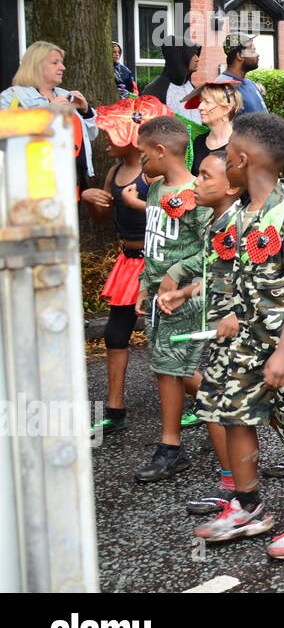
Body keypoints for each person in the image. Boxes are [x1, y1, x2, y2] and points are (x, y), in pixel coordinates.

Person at [192, 112, 284, 559]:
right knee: (237, 417)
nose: (220, 160)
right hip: (241, 343)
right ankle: (249, 505)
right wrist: (218, 311)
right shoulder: (233, 215)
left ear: (239, 159)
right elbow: (224, 273)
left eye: (226, 154)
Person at [155, 151, 244, 515]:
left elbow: (258, 279)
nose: (196, 182)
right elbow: (213, 272)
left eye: (205, 176)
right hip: (222, 332)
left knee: (258, 410)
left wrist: (237, 312)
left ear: (232, 186)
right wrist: (184, 291)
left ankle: (253, 491)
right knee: (214, 403)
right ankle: (233, 486)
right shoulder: (216, 224)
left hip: (250, 335)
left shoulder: (243, 224)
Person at [133, 115, 212, 483]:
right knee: (169, 366)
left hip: (184, 298)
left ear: (161, 150)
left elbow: (214, 249)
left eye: (143, 154)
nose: (140, 161)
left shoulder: (198, 193)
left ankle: (171, 447)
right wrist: (142, 285)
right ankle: (222, 405)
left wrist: (176, 276)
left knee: (169, 368)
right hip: (157, 296)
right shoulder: (155, 188)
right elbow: (153, 245)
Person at [82, 102, 153, 436]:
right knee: (114, 333)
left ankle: (204, 400)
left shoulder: (153, 174)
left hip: (155, 262)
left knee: (167, 340)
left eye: (112, 132)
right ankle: (115, 410)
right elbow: (103, 219)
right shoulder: (113, 173)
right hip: (127, 262)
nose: (105, 139)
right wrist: (92, 200)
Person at [0, 41, 99, 179]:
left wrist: (86, 111)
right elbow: (5, 134)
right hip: (37, 181)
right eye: (55, 63)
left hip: (74, 180)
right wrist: (48, 112)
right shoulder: (13, 96)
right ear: (36, 66)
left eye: (62, 63)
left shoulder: (64, 94)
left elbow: (90, 136)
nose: (63, 67)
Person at [140, 37, 204, 124]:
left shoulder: (190, 87)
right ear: (179, 57)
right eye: (192, 55)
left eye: (197, 54)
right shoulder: (154, 91)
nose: (197, 59)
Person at [185, 79, 243, 172]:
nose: (200, 107)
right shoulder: (199, 141)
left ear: (227, 109)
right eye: (201, 101)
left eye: (207, 102)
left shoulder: (240, 145)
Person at [218, 38, 266, 114]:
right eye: (253, 51)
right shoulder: (221, 88)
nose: (257, 55)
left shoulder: (251, 84)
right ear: (240, 56)